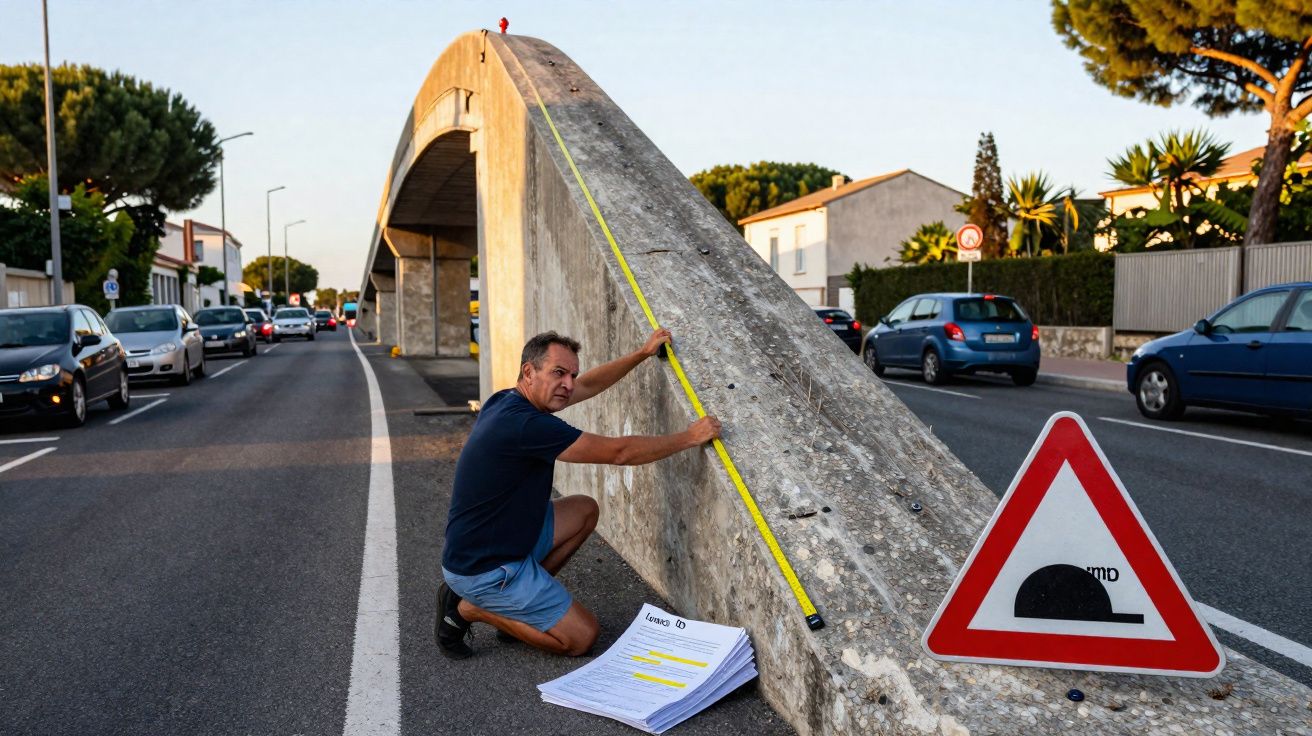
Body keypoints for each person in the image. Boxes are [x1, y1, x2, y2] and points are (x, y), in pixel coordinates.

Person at [436, 329, 721, 659]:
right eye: (559, 373)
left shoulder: (508, 399)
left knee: (584, 509)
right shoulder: (527, 425)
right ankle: (469, 609)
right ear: (529, 372)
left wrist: (641, 353)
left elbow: (588, 385)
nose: (569, 384)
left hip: (501, 539)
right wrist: (689, 437)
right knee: (582, 637)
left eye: (571, 374)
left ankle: (517, 611)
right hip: (483, 568)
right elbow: (620, 453)